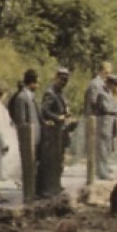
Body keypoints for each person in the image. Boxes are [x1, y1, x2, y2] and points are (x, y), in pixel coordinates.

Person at [38, 66, 75, 198]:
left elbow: (63, 107)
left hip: (61, 132)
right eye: (62, 79)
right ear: (56, 78)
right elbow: (44, 110)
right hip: (52, 131)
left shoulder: (60, 93)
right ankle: (48, 188)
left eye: (66, 80)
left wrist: (67, 113)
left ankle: (56, 185)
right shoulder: (50, 92)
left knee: (59, 161)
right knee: (50, 162)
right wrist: (57, 117)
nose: (64, 82)